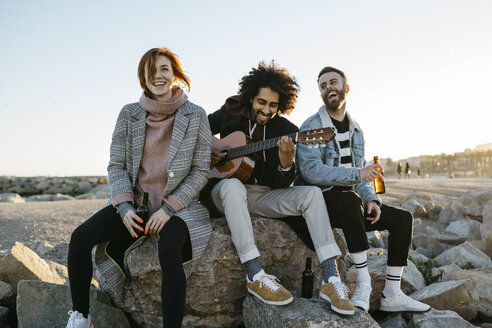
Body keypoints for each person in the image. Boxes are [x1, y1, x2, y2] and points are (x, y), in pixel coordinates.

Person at [65, 48, 212, 328]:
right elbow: (117, 165)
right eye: (151, 71)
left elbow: (200, 171)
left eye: (165, 69)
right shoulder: (129, 114)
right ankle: (81, 317)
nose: (158, 75)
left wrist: (169, 209)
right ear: (143, 78)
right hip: (136, 205)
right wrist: (123, 207)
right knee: (80, 238)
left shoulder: (196, 115)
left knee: (169, 248)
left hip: (180, 207)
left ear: (175, 74)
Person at [207, 61, 352, 314]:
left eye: (273, 105)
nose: (266, 110)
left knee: (312, 194)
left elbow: (281, 183)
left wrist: (286, 164)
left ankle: (331, 277)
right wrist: (210, 150)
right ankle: (254, 274)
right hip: (224, 193)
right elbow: (198, 130)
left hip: (262, 196)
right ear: (251, 97)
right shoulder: (230, 112)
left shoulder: (286, 131)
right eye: (261, 103)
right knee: (232, 185)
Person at [295, 66, 430, 313]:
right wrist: (357, 176)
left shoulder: (357, 131)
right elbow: (311, 172)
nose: (328, 88)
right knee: (348, 199)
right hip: (319, 202)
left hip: (351, 206)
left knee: (403, 219)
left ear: (346, 88)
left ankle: (392, 293)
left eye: (333, 82)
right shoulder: (311, 127)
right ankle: (363, 283)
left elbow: (362, 175)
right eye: (323, 86)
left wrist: (372, 200)